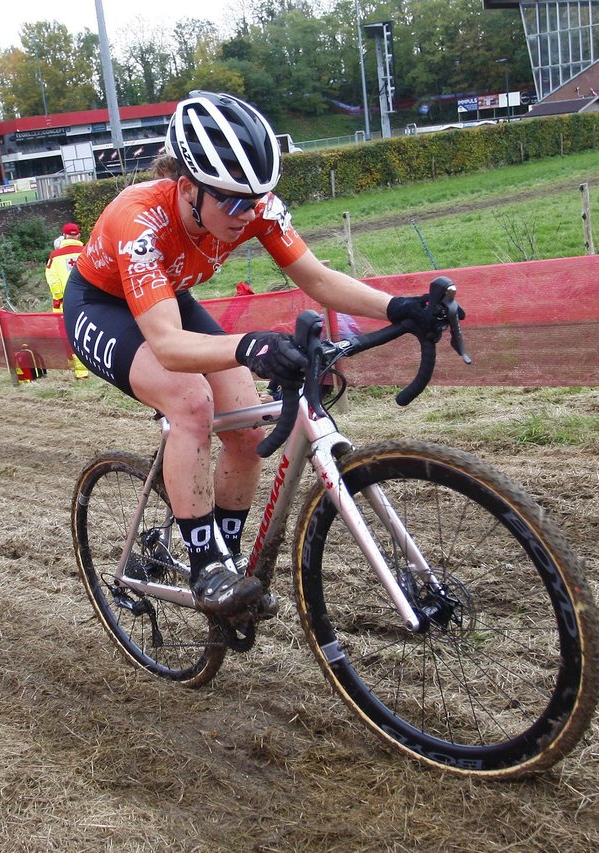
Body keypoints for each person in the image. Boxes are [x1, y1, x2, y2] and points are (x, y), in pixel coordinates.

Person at [62, 91, 448, 616]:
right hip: (100, 305)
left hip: (164, 295)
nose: (247, 214)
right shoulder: (140, 219)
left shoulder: (252, 205)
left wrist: (400, 307)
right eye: (233, 202)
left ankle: (227, 557)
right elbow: (170, 346)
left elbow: (316, 277)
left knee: (246, 430)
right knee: (190, 401)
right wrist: (249, 345)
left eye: (256, 200)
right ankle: (207, 570)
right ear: (186, 188)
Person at [45, 228, 89, 379]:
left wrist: (59, 296)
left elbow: (52, 280)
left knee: (68, 335)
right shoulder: (86, 251)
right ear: (78, 235)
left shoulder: (55, 256)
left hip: (65, 303)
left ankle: (79, 371)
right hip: (87, 299)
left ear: (64, 235)